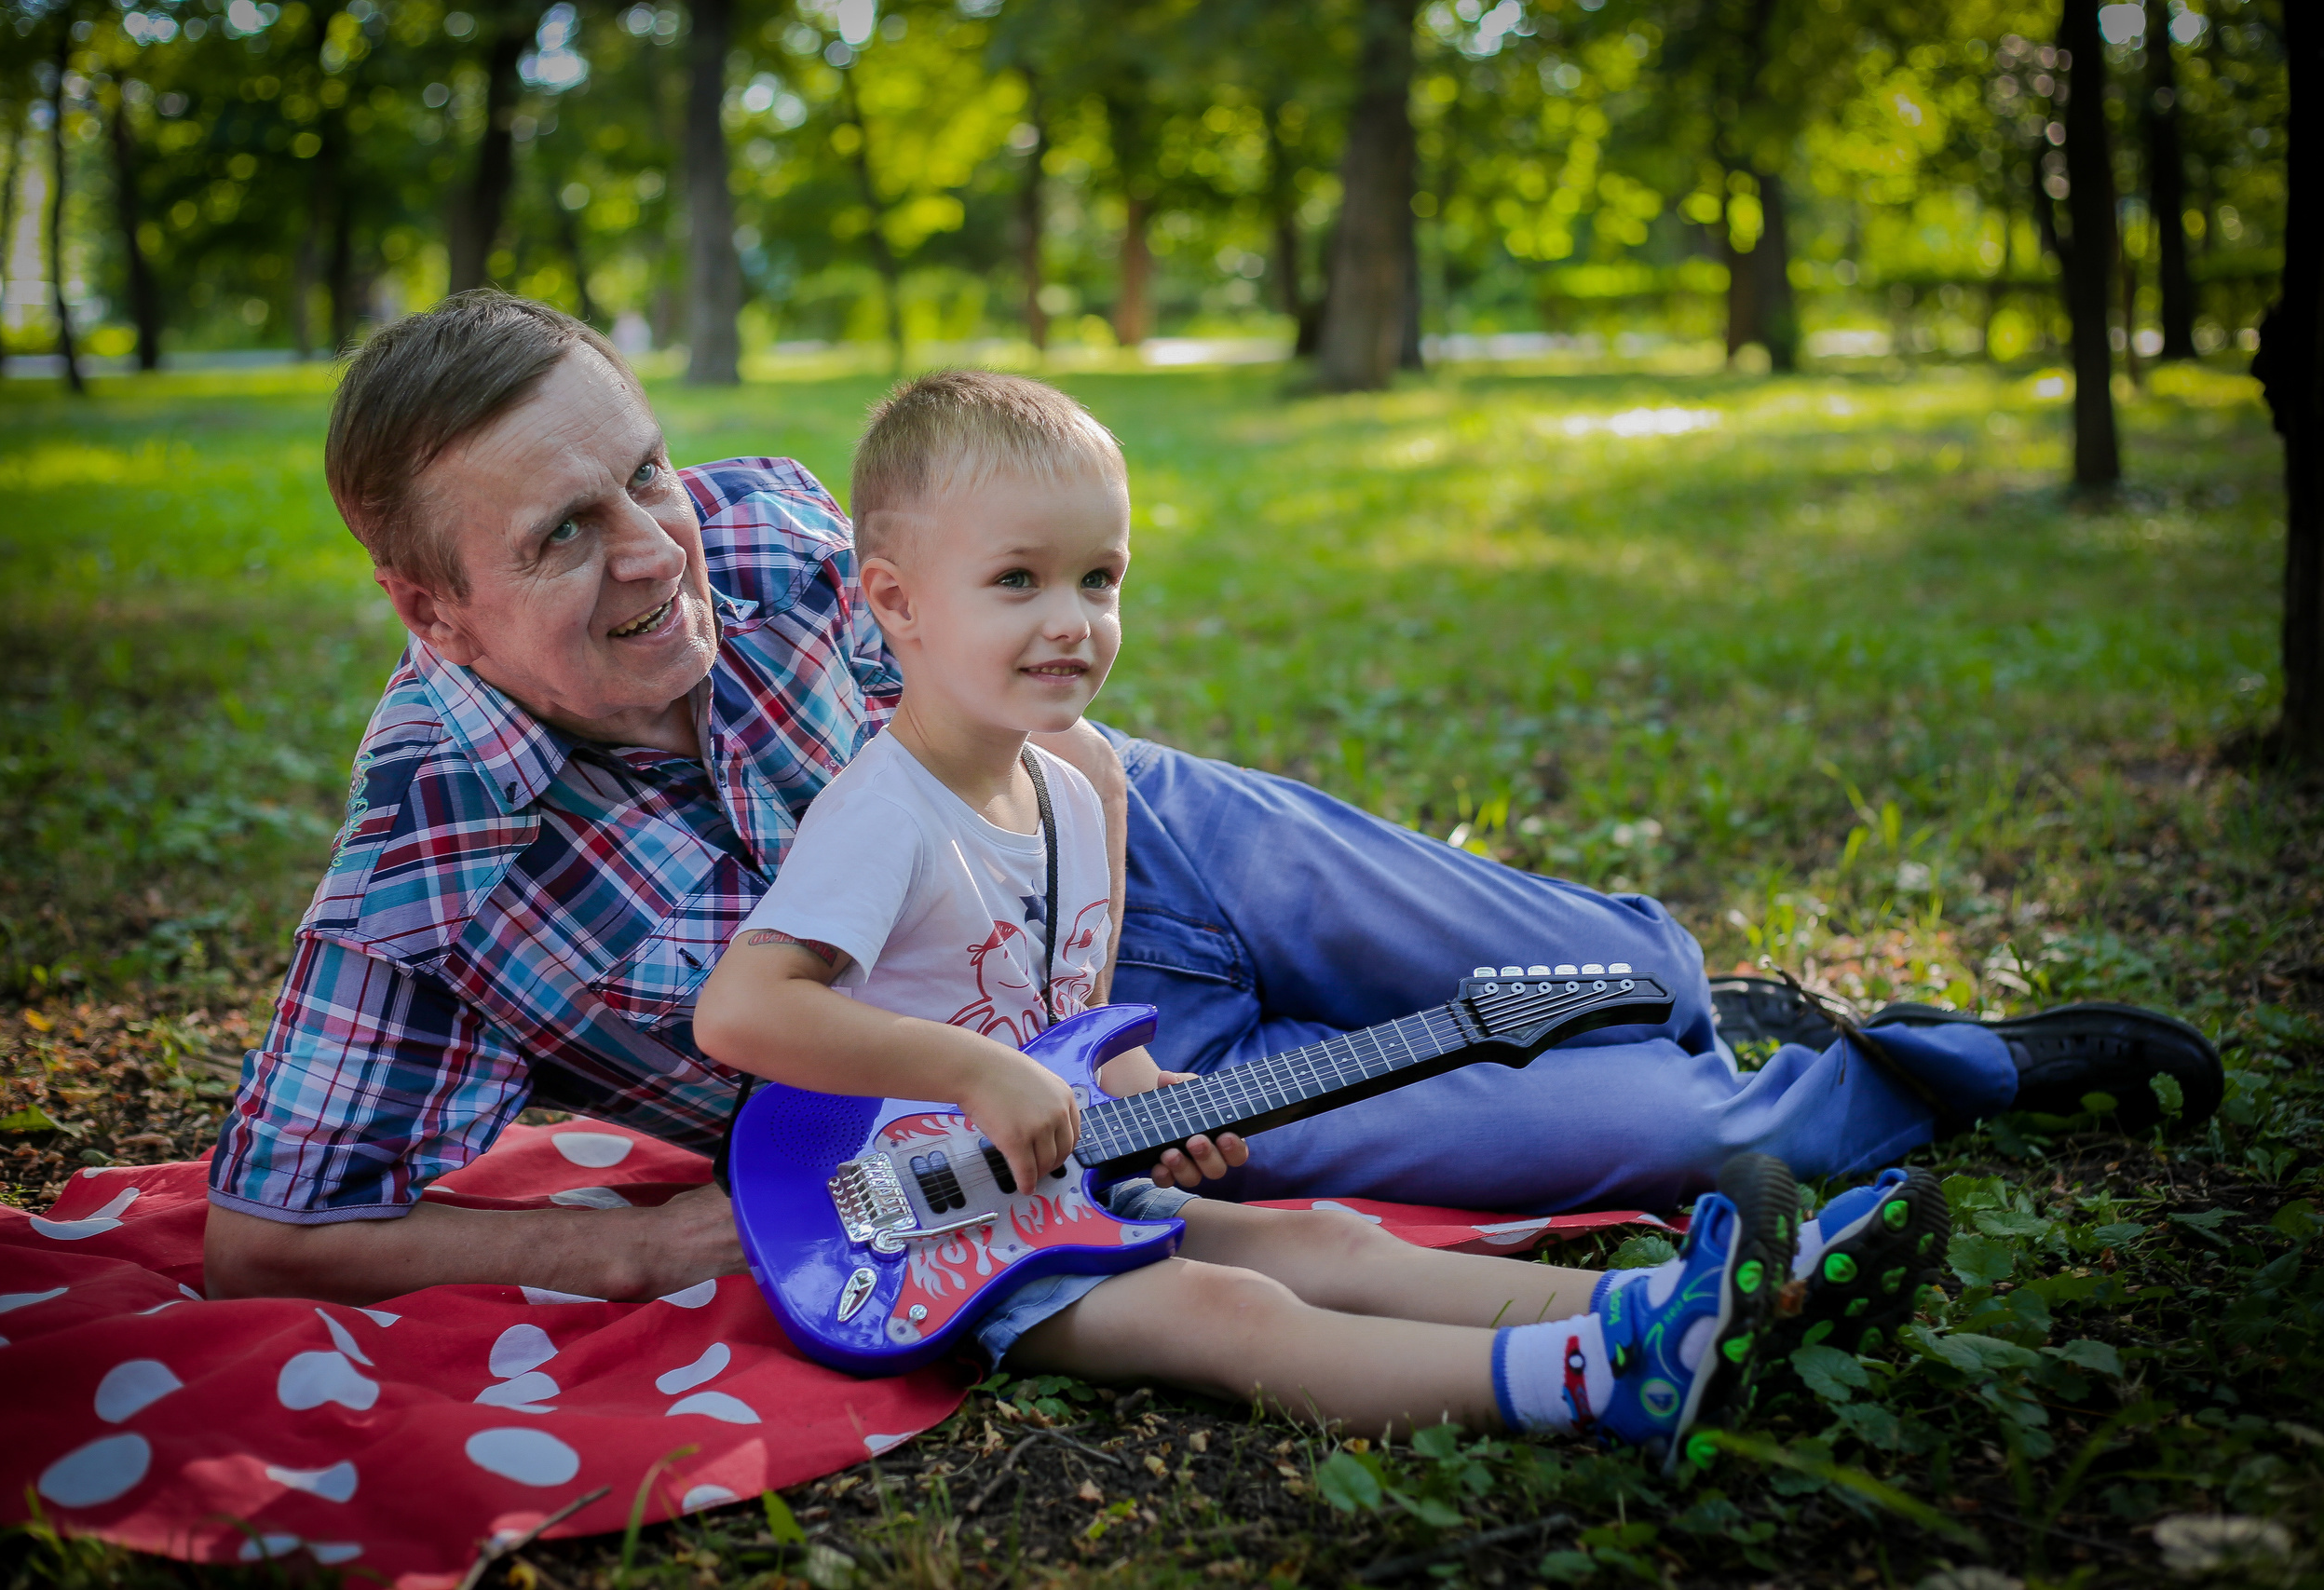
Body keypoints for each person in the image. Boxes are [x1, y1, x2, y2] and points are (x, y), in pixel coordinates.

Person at [202, 291, 2222, 1318]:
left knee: (1627, 961)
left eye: (641, 470)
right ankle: (1951, 1066)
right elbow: (265, 1232)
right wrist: (637, 1253)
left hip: (1139, 831)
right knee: (1676, 1129)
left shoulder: (763, 523)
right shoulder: (435, 851)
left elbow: (998, 661)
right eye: (563, 533)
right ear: (429, 607)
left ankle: (1700, 993)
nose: (660, 545)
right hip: (1086, 1082)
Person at [691, 368, 1828, 1461]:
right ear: (896, 602)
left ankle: (1697, 1304)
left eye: (1099, 579)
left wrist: (1151, 1099)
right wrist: (974, 1074)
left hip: (1066, 1189)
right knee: (1229, 1313)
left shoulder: (1071, 791)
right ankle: (1599, 1381)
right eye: (1018, 581)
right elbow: (742, 1013)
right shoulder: (883, 812)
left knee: (1325, 1240)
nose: (1072, 620)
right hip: (920, 1237)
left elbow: (1067, 1025)